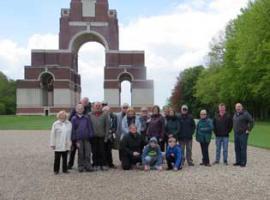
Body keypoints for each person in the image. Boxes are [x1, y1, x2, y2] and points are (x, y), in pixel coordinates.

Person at [68, 97, 91, 169]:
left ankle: (86, 165)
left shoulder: (88, 109)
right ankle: (71, 164)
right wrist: (73, 137)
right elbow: (70, 121)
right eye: (84, 102)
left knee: (86, 152)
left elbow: (89, 124)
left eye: (86, 102)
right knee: (74, 150)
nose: (85, 103)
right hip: (77, 136)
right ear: (81, 101)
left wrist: (90, 134)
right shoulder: (74, 112)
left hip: (85, 136)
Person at [71, 104, 94, 172]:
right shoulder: (74, 118)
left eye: (81, 108)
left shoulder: (86, 118)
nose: (80, 109)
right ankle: (80, 166)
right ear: (76, 110)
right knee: (80, 153)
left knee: (88, 153)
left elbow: (90, 127)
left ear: (83, 109)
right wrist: (74, 140)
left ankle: (88, 165)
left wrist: (91, 135)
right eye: (78, 108)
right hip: (79, 139)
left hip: (87, 138)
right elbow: (73, 130)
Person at [90, 102, 110, 171]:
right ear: (94, 107)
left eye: (99, 106)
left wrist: (106, 137)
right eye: (96, 106)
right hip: (93, 136)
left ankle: (103, 164)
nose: (97, 107)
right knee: (94, 151)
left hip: (102, 136)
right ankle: (95, 164)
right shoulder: (90, 115)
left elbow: (107, 126)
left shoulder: (105, 115)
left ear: (101, 107)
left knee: (102, 151)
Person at [233, 103, 254, 167]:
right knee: (237, 148)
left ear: (242, 107)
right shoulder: (235, 114)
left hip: (243, 134)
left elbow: (252, 121)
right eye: (237, 107)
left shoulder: (246, 114)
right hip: (236, 134)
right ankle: (238, 161)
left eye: (239, 107)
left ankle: (243, 162)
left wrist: (249, 130)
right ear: (235, 108)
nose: (238, 108)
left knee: (243, 148)